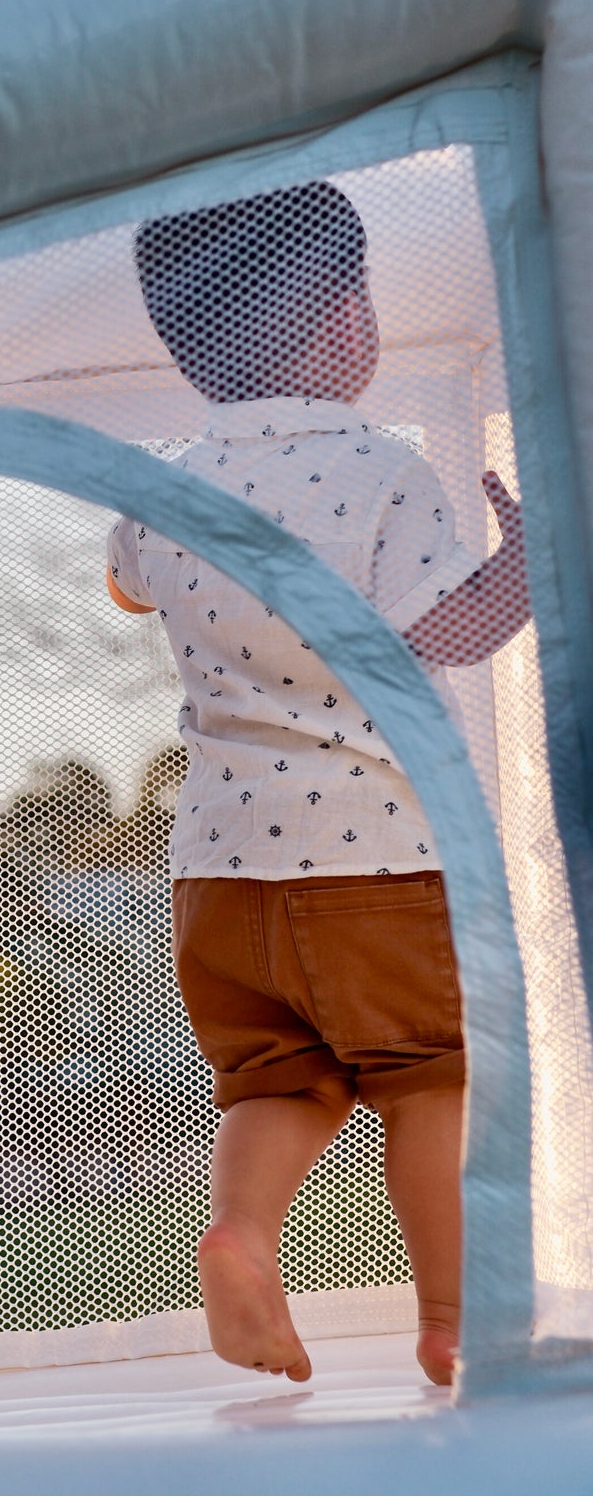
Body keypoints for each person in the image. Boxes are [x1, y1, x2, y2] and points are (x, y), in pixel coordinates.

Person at [105, 180, 530, 1389]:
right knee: (429, 1077)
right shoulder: (382, 473)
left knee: (274, 1079)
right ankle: (451, 1313)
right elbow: (448, 630)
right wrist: (530, 561)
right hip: (377, 860)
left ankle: (240, 1229)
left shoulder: (166, 485)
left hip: (219, 877)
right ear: (349, 320)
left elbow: (127, 585)